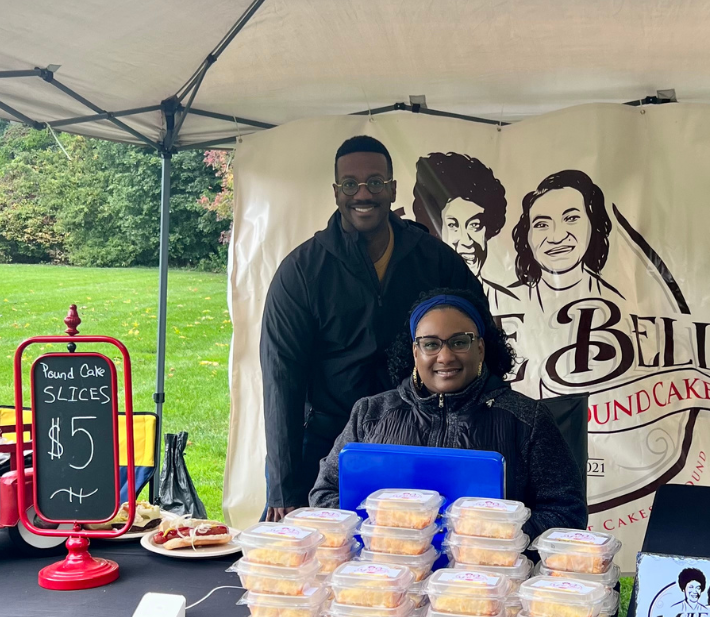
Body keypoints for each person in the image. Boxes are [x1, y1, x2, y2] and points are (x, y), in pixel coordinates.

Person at [261, 136, 487, 520]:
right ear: (336, 192)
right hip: (329, 445)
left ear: (392, 188)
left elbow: (482, 344)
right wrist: (284, 487)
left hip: (420, 442)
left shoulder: (434, 259)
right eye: (350, 184)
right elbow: (281, 379)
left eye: (375, 182)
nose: (363, 193)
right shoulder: (301, 272)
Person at [309, 288, 586, 539]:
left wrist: (497, 534)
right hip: (387, 577)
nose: (445, 357)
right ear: (415, 352)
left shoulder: (528, 419)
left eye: (459, 342)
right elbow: (324, 494)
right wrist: (386, 528)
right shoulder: (370, 414)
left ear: (480, 347)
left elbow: (566, 513)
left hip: (491, 581)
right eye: (431, 344)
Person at [411, 152, 518, 311]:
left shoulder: (512, 304)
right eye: (453, 225)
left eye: (475, 225)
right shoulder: (417, 304)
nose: (466, 241)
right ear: (436, 229)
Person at [511, 169, 622, 313]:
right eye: (542, 225)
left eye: (571, 219)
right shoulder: (506, 301)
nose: (556, 237)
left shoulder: (616, 302)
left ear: (593, 224)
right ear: (527, 235)